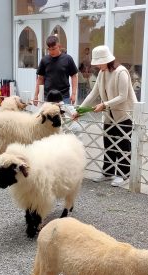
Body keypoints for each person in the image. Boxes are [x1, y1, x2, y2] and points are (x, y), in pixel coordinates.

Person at [73, 45, 138, 187]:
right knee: (108, 143)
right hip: (109, 114)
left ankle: (123, 174)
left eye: (98, 62)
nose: (96, 66)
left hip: (124, 114)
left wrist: (104, 105)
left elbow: (123, 96)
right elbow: (93, 93)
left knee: (123, 145)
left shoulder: (121, 72)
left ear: (106, 60)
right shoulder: (102, 72)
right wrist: (80, 110)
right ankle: (108, 173)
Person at [33, 35, 78, 105]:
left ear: (59, 46)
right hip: (48, 96)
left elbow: (74, 76)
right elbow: (40, 79)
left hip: (64, 96)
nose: (51, 51)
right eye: (49, 49)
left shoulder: (68, 59)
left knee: (64, 115)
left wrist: (74, 94)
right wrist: (36, 95)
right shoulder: (44, 60)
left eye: (53, 49)